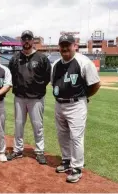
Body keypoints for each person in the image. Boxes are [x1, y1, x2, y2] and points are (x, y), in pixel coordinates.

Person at [52, 34, 100, 183]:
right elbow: (54, 84)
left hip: (76, 105)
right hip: (60, 104)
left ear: (75, 46)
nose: (65, 47)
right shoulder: (56, 65)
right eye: (62, 45)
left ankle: (77, 167)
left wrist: (84, 97)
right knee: (62, 135)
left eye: (68, 44)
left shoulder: (83, 62)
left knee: (76, 137)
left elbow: (95, 84)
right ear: (59, 47)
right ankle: (66, 160)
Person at [7, 30, 51, 164]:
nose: (26, 41)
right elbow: (11, 76)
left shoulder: (42, 58)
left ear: (33, 41)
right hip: (19, 97)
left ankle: (39, 151)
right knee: (19, 124)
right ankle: (17, 150)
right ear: (21, 41)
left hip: (36, 98)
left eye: (29, 38)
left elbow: (47, 77)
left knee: (38, 125)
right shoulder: (15, 58)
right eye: (24, 38)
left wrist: (37, 88)